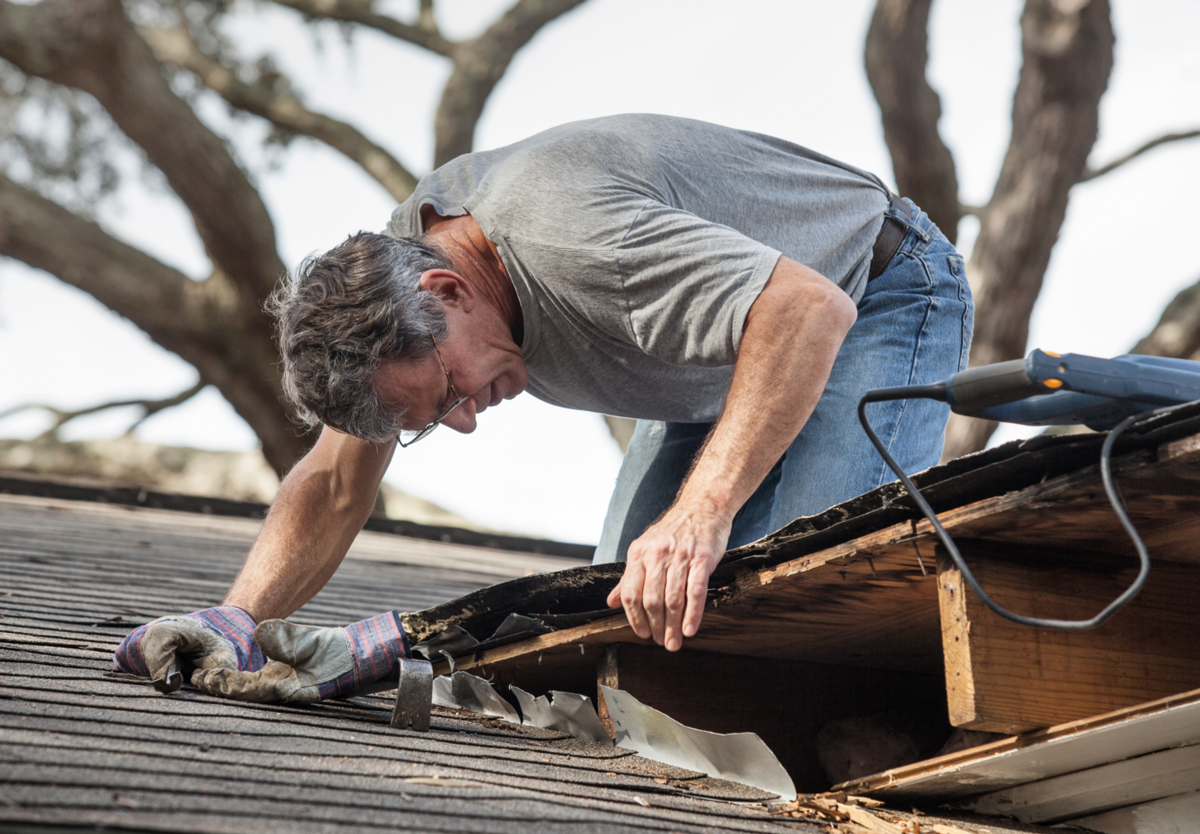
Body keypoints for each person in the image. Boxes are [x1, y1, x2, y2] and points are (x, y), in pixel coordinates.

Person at [114, 114, 973, 701]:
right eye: (431, 422)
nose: (464, 420)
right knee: (625, 634)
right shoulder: (388, 289)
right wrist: (237, 620)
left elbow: (805, 311)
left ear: (448, 291)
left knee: (810, 604)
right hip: (719, 356)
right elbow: (337, 482)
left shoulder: (576, 239)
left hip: (873, 291)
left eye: (448, 393)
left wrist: (700, 513)